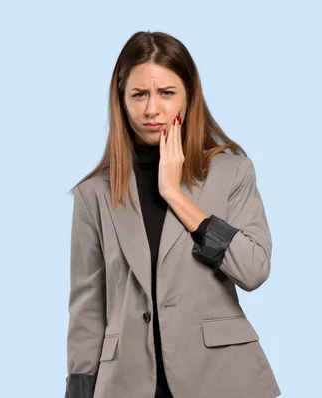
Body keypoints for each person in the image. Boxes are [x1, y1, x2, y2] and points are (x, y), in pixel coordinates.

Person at [65, 31, 281, 398]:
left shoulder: (233, 172)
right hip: (128, 384)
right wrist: (80, 385)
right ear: (121, 101)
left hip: (222, 378)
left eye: (166, 93)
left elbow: (254, 269)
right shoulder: (94, 194)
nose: (153, 109)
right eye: (139, 94)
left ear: (189, 97)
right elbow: (88, 304)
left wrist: (174, 195)